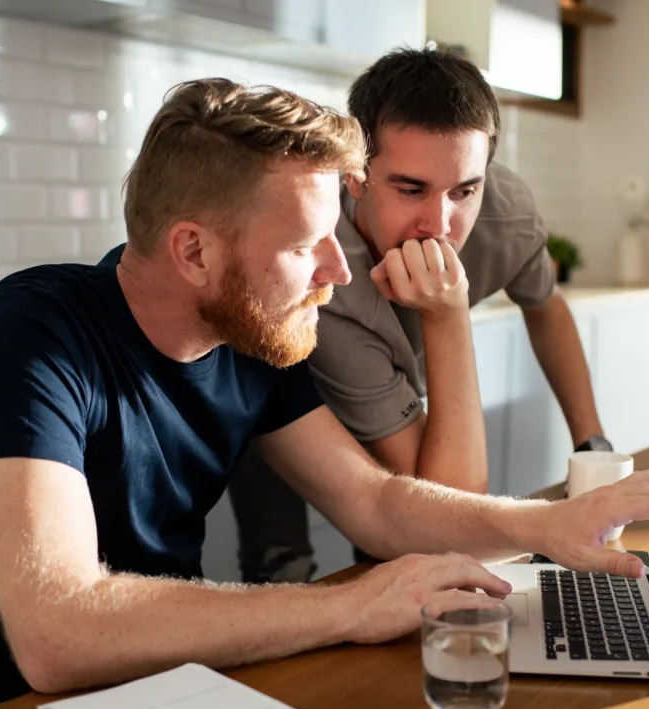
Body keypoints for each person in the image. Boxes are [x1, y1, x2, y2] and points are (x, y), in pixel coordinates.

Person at [0, 79, 649, 709]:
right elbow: (59, 634)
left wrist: (547, 524)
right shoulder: (32, 335)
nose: (338, 272)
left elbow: (375, 503)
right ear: (194, 251)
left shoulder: (249, 340)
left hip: (170, 691)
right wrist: (351, 605)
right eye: (307, 245)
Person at [231, 48, 613, 572]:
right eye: (411, 189)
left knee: (401, 554)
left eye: (465, 190)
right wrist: (448, 315)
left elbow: (545, 307)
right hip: (277, 382)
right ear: (355, 177)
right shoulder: (326, 276)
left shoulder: (507, 216)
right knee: (284, 565)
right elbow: (450, 505)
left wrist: (592, 443)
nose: (439, 223)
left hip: (399, 381)